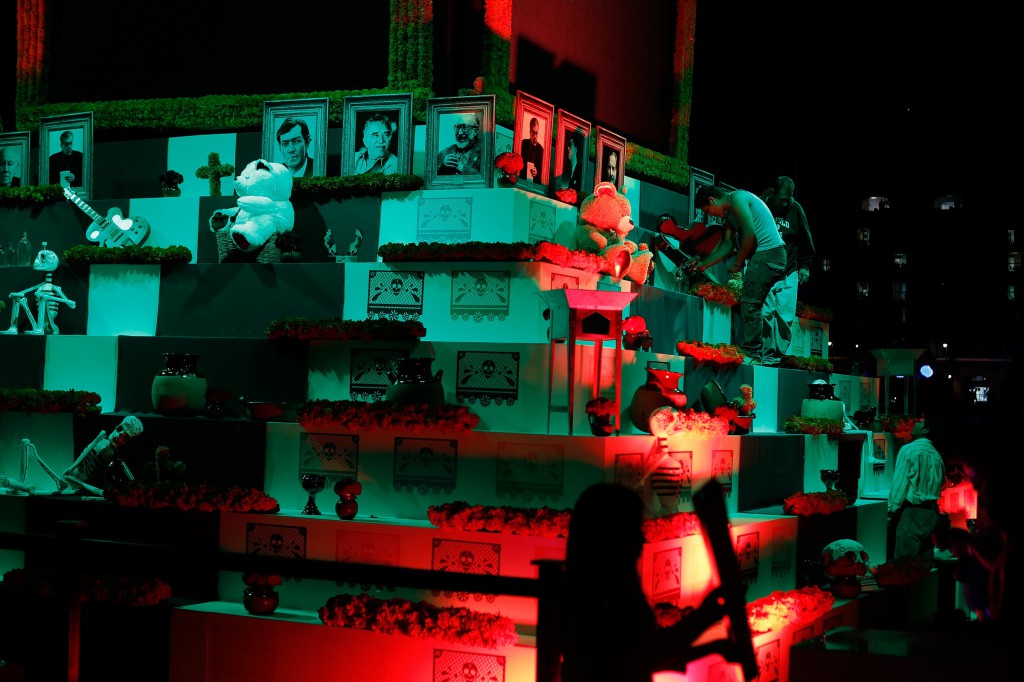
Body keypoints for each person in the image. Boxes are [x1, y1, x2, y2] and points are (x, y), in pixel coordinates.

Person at [560, 483, 741, 682]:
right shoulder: (603, 593)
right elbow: (646, 655)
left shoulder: (588, 589)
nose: (642, 539)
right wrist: (706, 616)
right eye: (633, 529)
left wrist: (715, 644)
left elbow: (642, 654)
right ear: (611, 536)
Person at [690, 184, 787, 365]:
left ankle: (753, 354)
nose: (711, 215)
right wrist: (704, 264)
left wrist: (738, 262)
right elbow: (727, 244)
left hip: (770, 254)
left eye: (708, 210)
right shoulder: (729, 214)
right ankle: (754, 352)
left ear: (712, 200)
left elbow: (750, 233)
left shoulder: (737, 198)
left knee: (751, 303)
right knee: (752, 302)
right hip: (767, 255)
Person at [759, 175, 815, 364]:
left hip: (789, 269)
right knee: (765, 313)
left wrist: (805, 266)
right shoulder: (762, 204)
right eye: (783, 199)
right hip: (765, 267)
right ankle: (766, 353)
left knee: (784, 315)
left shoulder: (795, 209)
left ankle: (779, 354)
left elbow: (806, 239)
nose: (786, 203)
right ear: (773, 192)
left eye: (789, 199)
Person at [887, 416, 946, 558]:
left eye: (921, 422)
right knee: (924, 567)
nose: (916, 422)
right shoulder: (936, 455)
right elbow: (942, 483)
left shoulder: (908, 450)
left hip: (913, 513)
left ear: (926, 430)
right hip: (932, 513)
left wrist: (890, 512)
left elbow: (899, 485)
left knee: (904, 567)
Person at [519, 116, 544, 182]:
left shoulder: (541, 150)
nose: (535, 136)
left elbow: (543, 172)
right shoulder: (523, 144)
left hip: (534, 183)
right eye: (533, 133)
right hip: (522, 180)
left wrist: (537, 172)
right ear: (530, 132)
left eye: (537, 133)